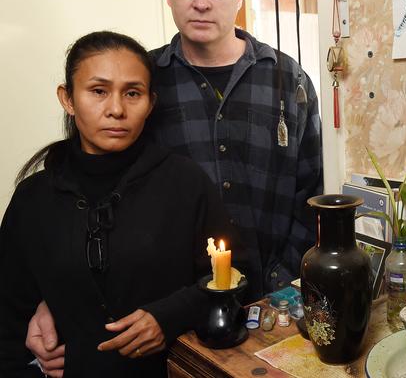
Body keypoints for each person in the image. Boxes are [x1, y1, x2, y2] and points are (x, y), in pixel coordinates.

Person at [27, 0, 322, 376]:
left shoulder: (289, 81)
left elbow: (311, 198)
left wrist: (276, 290)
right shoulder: (138, 82)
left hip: (270, 311)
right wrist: (60, 294)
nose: (201, 1)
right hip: (162, 325)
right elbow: (86, 197)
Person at [0, 31, 247, 377]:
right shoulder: (33, 200)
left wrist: (169, 316)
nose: (116, 109)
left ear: (150, 102)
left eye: (133, 93)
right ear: (68, 99)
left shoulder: (184, 182)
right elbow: (9, 321)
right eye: (98, 91)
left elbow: (237, 271)